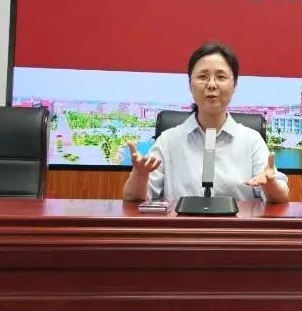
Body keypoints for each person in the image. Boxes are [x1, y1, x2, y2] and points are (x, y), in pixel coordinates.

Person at [123, 41, 289, 203]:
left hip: (237, 223)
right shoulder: (168, 141)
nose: (211, 85)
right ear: (190, 85)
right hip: (182, 223)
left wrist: (270, 185)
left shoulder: (251, 141)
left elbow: (281, 196)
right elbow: (132, 197)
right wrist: (140, 176)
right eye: (203, 77)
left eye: (221, 77)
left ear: (234, 85)